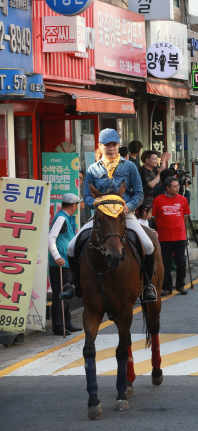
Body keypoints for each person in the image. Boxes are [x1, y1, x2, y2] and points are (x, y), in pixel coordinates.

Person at [60, 129, 157, 303]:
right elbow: (88, 197)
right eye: (107, 145)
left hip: (124, 215)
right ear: (101, 146)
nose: (111, 148)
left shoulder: (130, 166)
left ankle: (148, 285)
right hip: (102, 217)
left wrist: (128, 207)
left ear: (118, 146)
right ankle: (75, 285)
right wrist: (98, 207)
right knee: (71, 247)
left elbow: (139, 193)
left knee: (149, 246)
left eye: (114, 145)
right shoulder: (92, 169)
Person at [48, 193, 83, 336]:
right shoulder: (62, 218)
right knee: (60, 295)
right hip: (60, 263)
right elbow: (51, 238)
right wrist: (57, 257)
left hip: (66, 262)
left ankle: (67, 322)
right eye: (77, 205)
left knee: (67, 293)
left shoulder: (67, 218)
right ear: (73, 205)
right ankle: (58, 326)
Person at [153, 176, 190, 296]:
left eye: (178, 186)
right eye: (175, 186)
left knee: (181, 262)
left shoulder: (183, 199)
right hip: (164, 237)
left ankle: (180, 285)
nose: (177, 188)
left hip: (179, 235)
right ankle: (166, 287)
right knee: (165, 263)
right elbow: (154, 217)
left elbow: (186, 216)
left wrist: (177, 223)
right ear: (167, 188)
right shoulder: (158, 200)